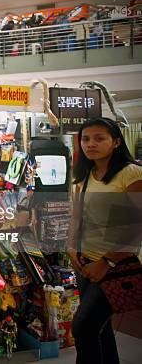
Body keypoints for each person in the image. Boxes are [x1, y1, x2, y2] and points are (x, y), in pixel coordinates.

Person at [67, 117, 142, 364]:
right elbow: (77, 218)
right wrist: (71, 247)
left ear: (116, 142)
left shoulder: (131, 174)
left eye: (99, 138)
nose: (90, 144)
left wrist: (106, 262)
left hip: (116, 264)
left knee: (83, 327)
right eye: (86, 139)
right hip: (85, 262)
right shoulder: (84, 176)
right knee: (101, 328)